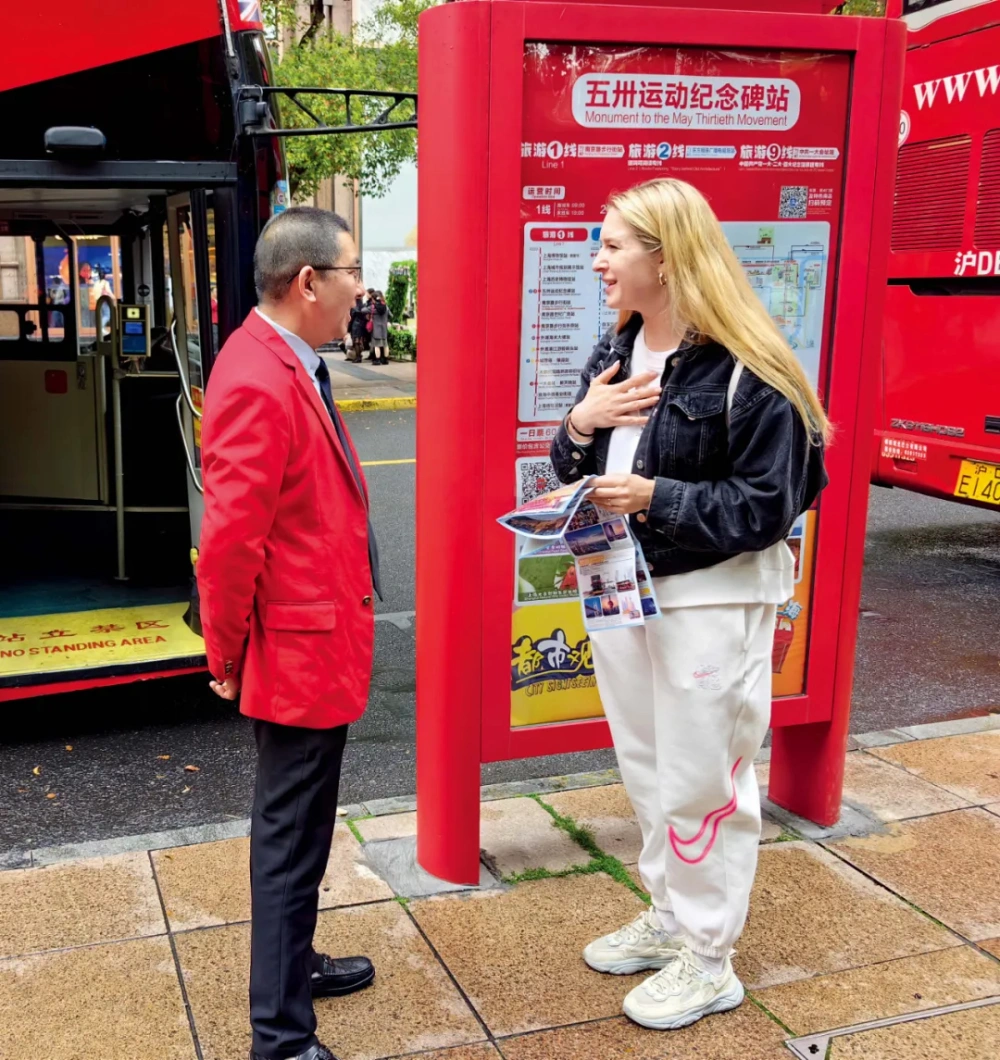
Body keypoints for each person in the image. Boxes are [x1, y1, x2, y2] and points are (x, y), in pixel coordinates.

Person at [550, 178, 828, 1033]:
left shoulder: (751, 368)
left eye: (612, 245)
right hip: (623, 590)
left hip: (712, 598)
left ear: (666, 258)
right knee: (646, 764)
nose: (597, 261)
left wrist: (654, 498)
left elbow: (767, 505)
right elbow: (572, 468)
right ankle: (670, 914)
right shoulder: (616, 351)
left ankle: (709, 960)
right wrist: (580, 423)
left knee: (705, 777)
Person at [198, 206, 383, 1060]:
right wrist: (226, 653)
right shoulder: (257, 376)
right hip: (295, 652)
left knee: (304, 829)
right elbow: (230, 543)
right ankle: (279, 1037)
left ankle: (294, 965)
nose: (361, 290)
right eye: (353, 273)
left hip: (317, 642)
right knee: (288, 837)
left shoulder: (287, 360)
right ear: (309, 282)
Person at [369, 290, 390, 365]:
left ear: (374, 299)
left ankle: (377, 360)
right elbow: (390, 314)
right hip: (384, 329)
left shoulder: (373, 307)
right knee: (385, 344)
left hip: (376, 329)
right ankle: (385, 360)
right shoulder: (386, 306)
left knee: (377, 345)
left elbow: (363, 310)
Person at [348, 294, 369, 363]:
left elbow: (351, 318)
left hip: (355, 325)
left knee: (356, 342)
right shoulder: (363, 306)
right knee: (360, 342)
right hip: (362, 325)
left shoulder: (353, 307)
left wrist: (348, 328)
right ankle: (359, 356)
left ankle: (358, 357)